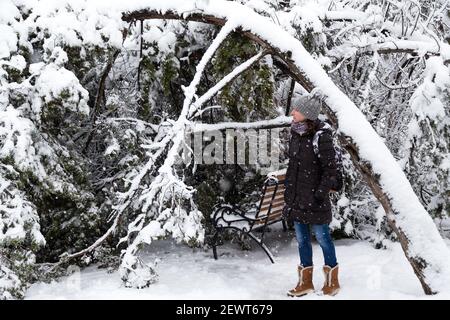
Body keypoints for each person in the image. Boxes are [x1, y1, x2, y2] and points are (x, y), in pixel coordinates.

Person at [284, 95, 340, 297]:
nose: (292, 113)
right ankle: (305, 283)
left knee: (324, 239)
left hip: (315, 201)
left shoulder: (321, 136)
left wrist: (319, 194)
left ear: (306, 114)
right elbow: (293, 167)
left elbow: (329, 169)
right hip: (298, 198)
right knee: (302, 241)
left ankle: (332, 282)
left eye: (295, 110)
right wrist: (289, 192)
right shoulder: (295, 133)